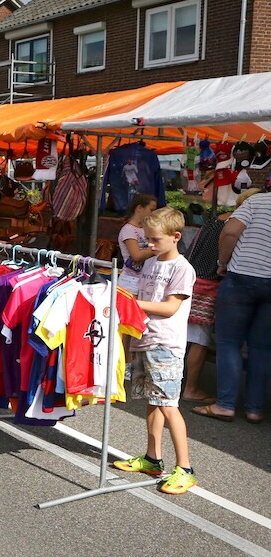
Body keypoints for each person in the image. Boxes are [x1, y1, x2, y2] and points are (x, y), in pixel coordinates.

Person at [114, 207, 198, 495]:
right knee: (153, 402)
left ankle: (185, 468)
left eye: (154, 240)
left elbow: (170, 307)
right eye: (146, 239)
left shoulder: (182, 269)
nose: (149, 245)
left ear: (176, 237)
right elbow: (142, 296)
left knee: (168, 404)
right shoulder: (151, 263)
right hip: (146, 338)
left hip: (166, 344)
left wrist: (131, 304)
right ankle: (152, 459)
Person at [194, 190, 271, 424]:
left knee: (229, 342)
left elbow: (230, 231)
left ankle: (225, 405)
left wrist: (222, 262)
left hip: (241, 277)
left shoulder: (257, 201)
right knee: (262, 347)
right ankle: (254, 409)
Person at [119, 193, 158, 293]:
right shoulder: (128, 230)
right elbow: (136, 255)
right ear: (139, 208)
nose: (153, 214)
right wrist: (157, 248)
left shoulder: (146, 229)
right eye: (151, 210)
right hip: (131, 280)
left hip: (145, 278)